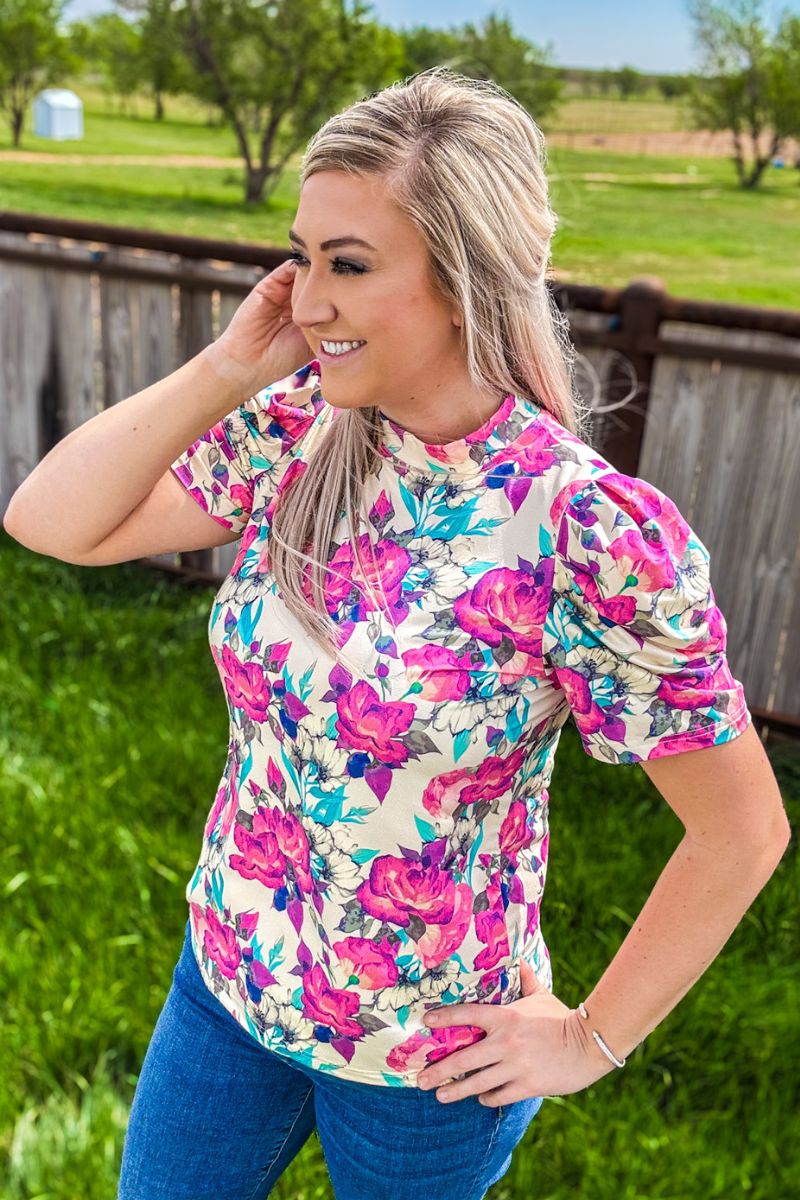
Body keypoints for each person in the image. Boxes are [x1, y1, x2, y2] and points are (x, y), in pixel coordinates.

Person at [3, 67, 790, 1200]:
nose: (305, 300)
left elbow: (741, 830)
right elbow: (50, 522)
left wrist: (590, 1038)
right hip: (228, 983)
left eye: (349, 264)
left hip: (429, 1068)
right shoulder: (302, 431)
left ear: (465, 279)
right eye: (302, 257)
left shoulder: (582, 530)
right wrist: (229, 368)